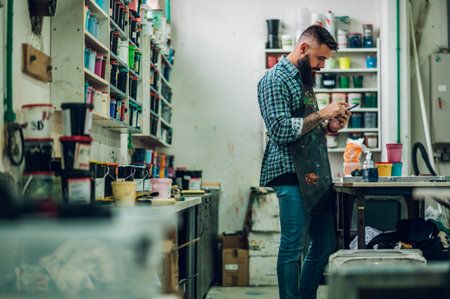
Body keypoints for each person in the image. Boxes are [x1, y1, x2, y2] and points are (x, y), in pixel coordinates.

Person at [257, 25, 350, 299]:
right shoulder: (274, 80)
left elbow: (306, 129)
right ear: (304, 48)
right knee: (293, 244)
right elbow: (281, 130)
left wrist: (331, 125)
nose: (321, 65)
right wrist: (322, 114)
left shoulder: (304, 81)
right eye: (320, 58)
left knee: (324, 243)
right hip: (289, 173)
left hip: (314, 173)